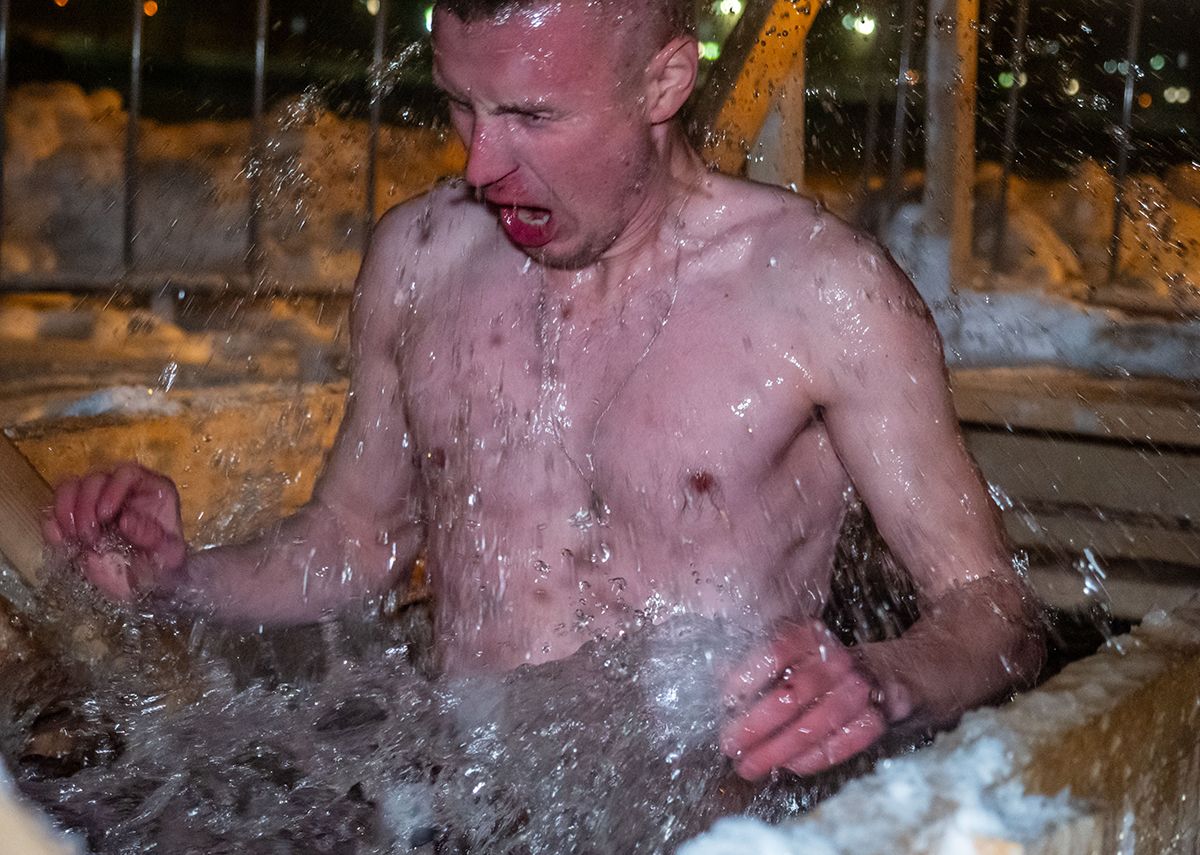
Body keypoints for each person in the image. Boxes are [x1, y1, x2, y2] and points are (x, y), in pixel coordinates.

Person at [44, 0, 1043, 781]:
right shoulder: (421, 257)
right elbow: (354, 538)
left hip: (711, 823)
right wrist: (182, 579)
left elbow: (993, 609)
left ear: (663, 80)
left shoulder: (824, 292)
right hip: (450, 808)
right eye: (461, 104)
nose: (481, 163)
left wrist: (887, 680)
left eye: (531, 115)